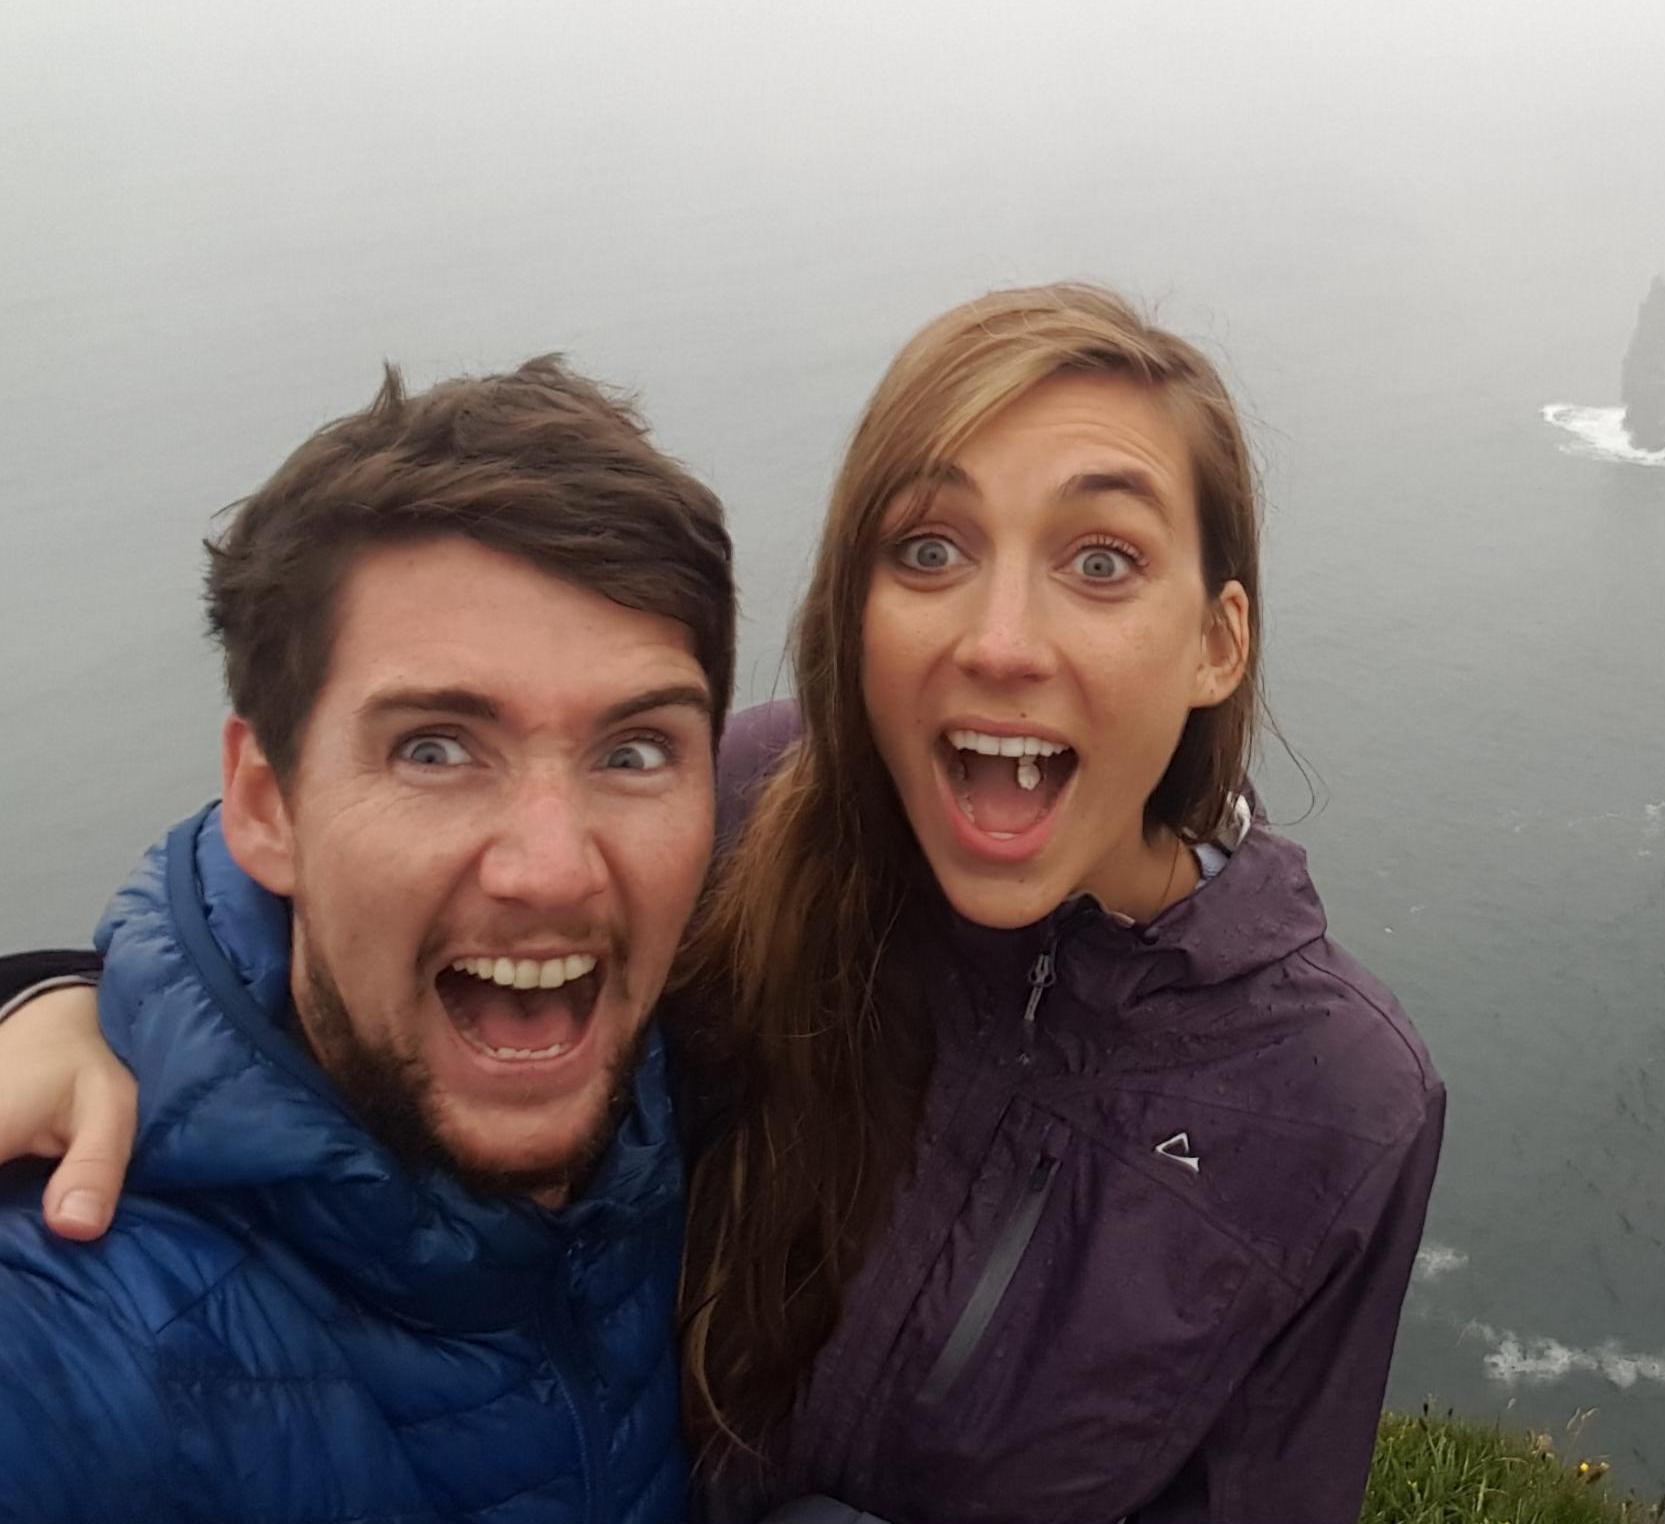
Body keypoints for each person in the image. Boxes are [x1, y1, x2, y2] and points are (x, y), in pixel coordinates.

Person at [3, 286, 1444, 1524]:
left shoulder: (1338, 1100)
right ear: (853, 611)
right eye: (928, 549)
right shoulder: (749, 809)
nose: (1003, 640)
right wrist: (74, 999)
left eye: (1104, 560)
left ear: (1217, 639)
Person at [0, 358, 736, 1524]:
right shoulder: (87, 1319)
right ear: (264, 804)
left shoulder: (719, 1073)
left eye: (635, 750)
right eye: (435, 748)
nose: (550, 865)